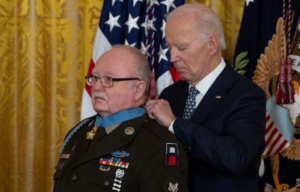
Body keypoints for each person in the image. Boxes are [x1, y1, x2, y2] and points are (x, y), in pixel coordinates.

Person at [145, 3, 266, 192]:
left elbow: (235, 157)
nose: (172, 57)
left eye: (182, 47)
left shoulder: (247, 95)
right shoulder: (170, 94)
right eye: (170, 47)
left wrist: (175, 123)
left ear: (211, 44)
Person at [53, 45, 189, 192]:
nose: (97, 86)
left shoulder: (158, 145)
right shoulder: (78, 132)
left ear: (138, 90)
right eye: (95, 77)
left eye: (108, 79)